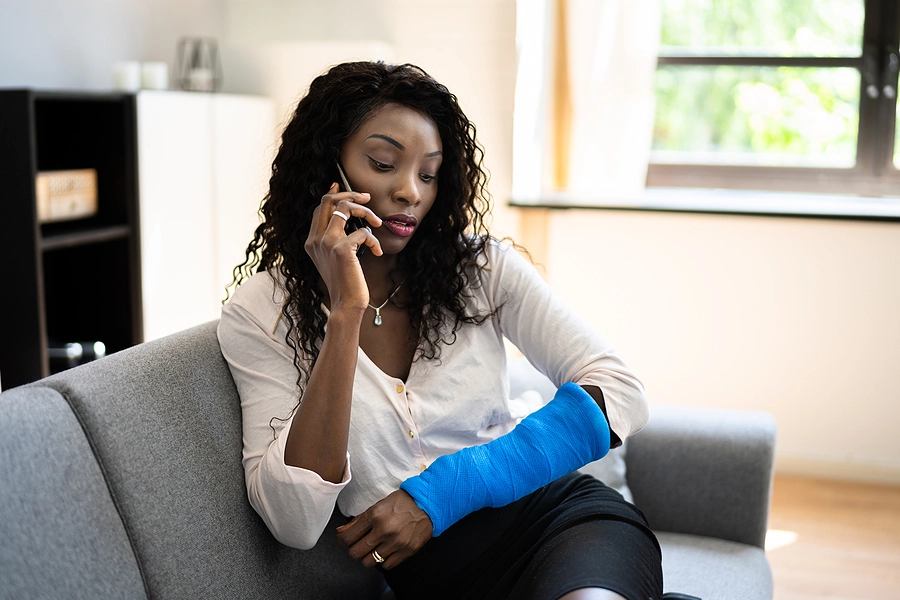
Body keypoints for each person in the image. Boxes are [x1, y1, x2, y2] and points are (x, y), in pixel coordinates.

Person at [218, 61, 663, 600]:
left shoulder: (482, 270)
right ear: (324, 168)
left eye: (429, 174)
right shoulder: (262, 311)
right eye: (384, 163)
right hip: (441, 583)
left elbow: (622, 393)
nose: (411, 192)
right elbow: (294, 519)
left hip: (560, 524)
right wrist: (344, 315)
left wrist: (442, 492)